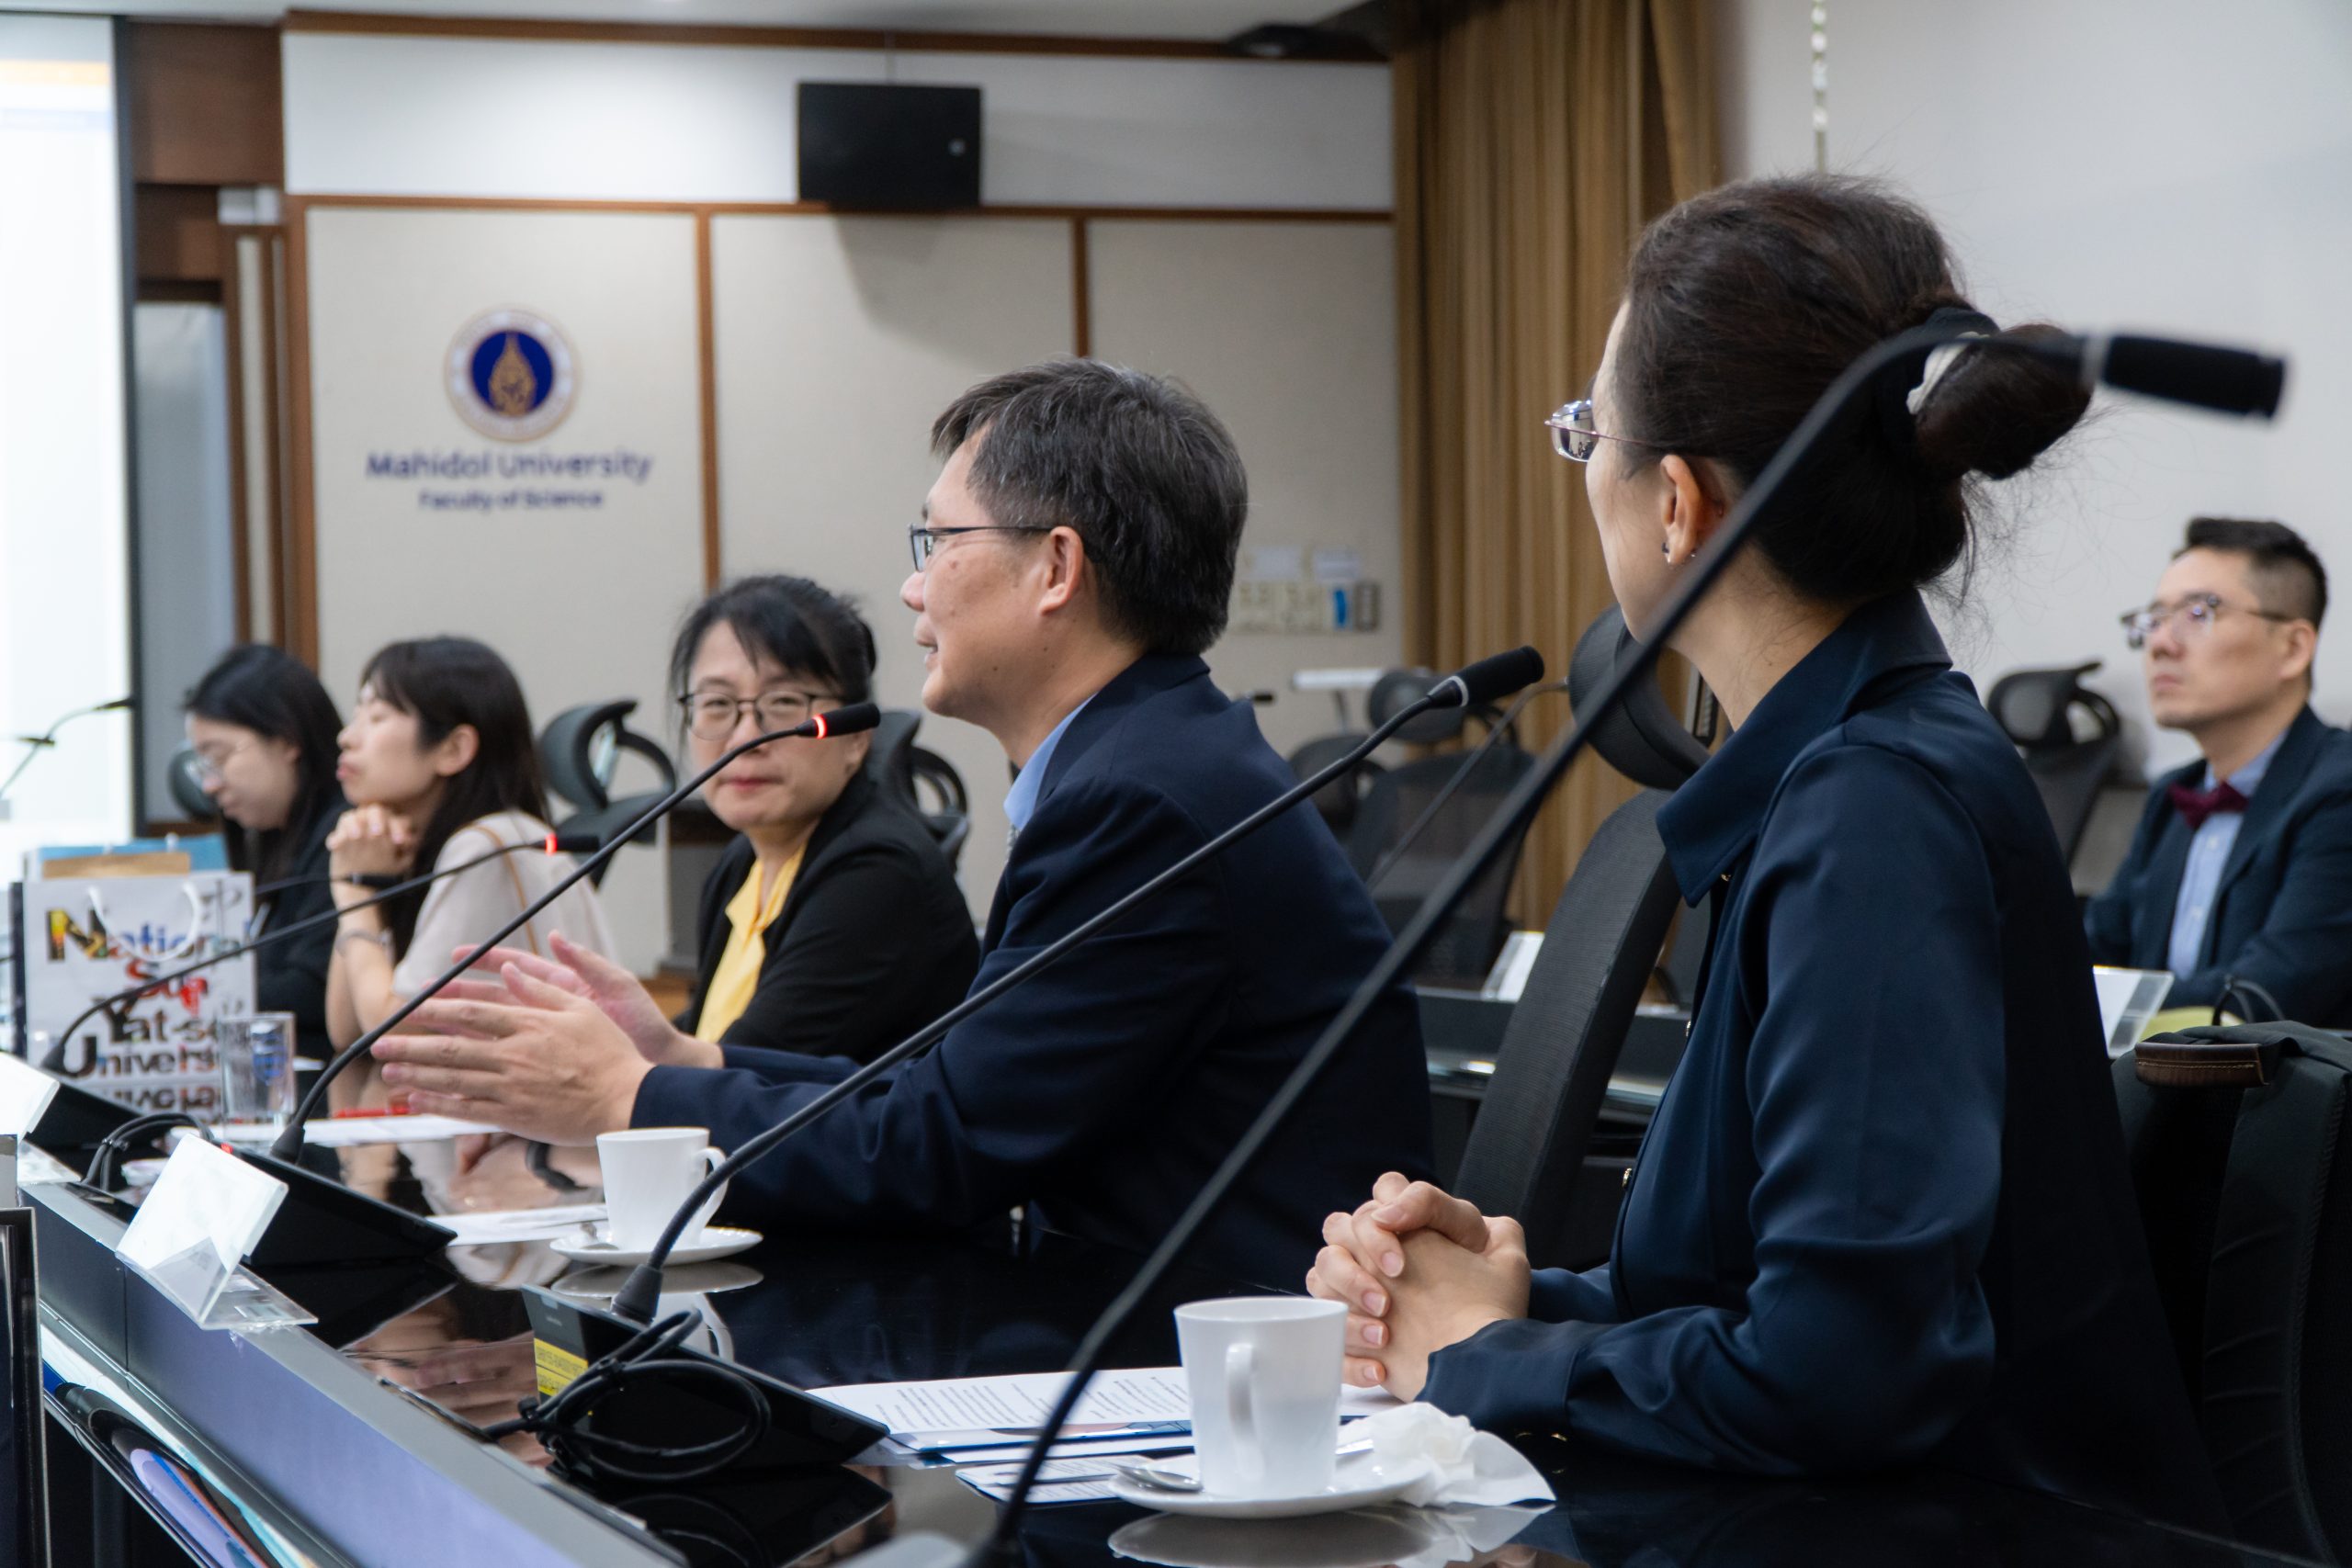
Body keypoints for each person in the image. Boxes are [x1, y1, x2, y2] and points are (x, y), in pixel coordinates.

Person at [1304, 175, 2222, 1527]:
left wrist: (1494, 1354)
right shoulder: (1833, 775)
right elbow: (1754, 1298)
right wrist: (1510, 1301)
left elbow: (1845, 1368)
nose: (1584, 470)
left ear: (1676, 502)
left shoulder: (1872, 812)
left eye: (1585, 435)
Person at [369, 360, 1433, 1288]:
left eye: (939, 539)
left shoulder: (1141, 799)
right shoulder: (1150, 758)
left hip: (1224, 1351)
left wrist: (627, 1096)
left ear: (1056, 569)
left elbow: (942, 1147)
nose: (912, 587)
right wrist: (689, 1063)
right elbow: (953, 1088)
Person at [461, 575, 978, 1066]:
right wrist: (612, 1029)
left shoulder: (879, 875)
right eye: (716, 704)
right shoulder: (741, 865)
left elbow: (742, 1079)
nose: (744, 738)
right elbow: (709, 1041)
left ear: (856, 737)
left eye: (783, 702)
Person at [2084, 518, 2352, 1022]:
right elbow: (2096, 946)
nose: (2160, 644)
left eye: (2197, 613)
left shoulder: (2340, 789)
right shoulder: (2172, 794)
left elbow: (2265, 997)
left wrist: (2091, 1005)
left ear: (2293, 648)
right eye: (2154, 619)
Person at [325, 637, 619, 1088]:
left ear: (453, 749)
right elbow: (345, 1030)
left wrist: (354, 893)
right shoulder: (436, 845)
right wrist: (368, 877)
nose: (347, 736)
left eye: (377, 716)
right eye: (356, 715)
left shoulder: (491, 846)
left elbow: (393, 1030)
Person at [184, 645, 348, 1066]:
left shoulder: (345, 836)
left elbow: (313, 988)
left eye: (218, 758)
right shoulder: (281, 839)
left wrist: (189, 996)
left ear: (287, 740)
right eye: (202, 766)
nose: (210, 785)